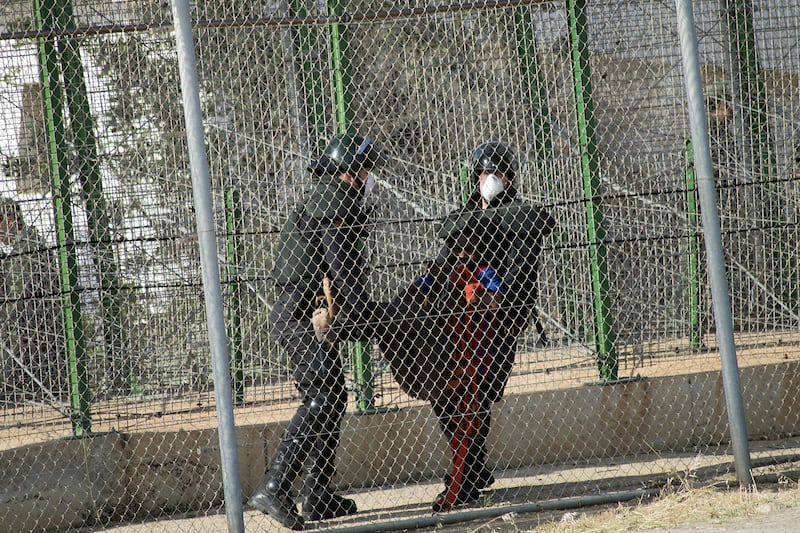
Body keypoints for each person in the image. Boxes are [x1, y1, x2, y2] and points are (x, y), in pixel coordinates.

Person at [248, 133, 386, 530]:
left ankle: (318, 494)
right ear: (348, 171)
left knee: (332, 396)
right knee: (321, 394)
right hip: (298, 318)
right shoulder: (334, 201)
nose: (369, 177)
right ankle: (274, 487)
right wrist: (371, 315)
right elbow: (342, 273)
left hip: (303, 315)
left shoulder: (327, 198)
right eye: (364, 169)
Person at [410, 141, 555, 511]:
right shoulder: (465, 217)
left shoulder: (519, 216)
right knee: (448, 391)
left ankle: (469, 471)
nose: (489, 180)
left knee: (479, 391)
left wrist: (497, 294)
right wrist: (424, 289)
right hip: (460, 320)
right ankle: (472, 466)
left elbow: (520, 270)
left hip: (500, 320)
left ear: (510, 178)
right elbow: (442, 264)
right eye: (482, 173)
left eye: (498, 173)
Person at [0, 197, 64, 404]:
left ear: (8, 221)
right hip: (34, 334)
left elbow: (15, 299)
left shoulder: (27, 248)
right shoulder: (24, 246)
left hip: (38, 336)